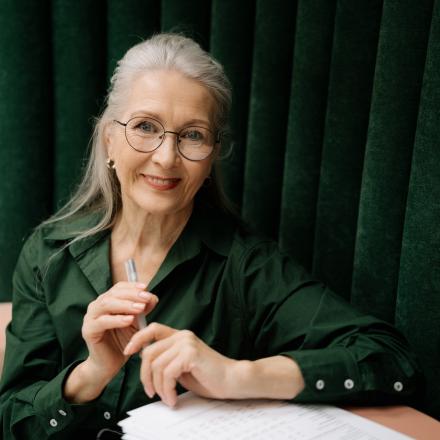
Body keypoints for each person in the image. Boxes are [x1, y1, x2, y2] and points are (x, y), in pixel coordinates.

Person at [0, 33, 423, 439]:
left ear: (212, 156)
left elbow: (391, 360)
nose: (166, 157)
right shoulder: (49, 252)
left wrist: (235, 375)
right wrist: (90, 375)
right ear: (110, 139)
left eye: (192, 135)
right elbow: (10, 420)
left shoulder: (246, 266)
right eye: (145, 126)